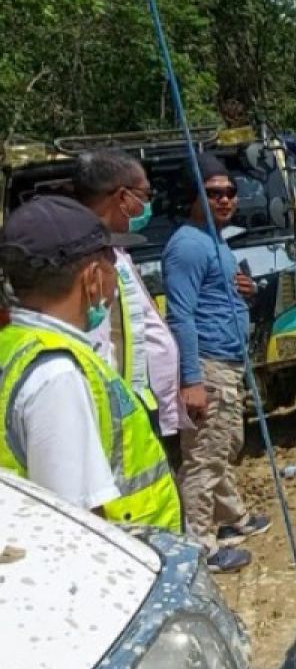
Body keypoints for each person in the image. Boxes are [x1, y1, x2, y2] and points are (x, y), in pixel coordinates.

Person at [0, 195, 182, 530]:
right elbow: (78, 523)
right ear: (93, 277)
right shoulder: (57, 374)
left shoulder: (13, 346)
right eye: (112, 261)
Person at [163, 153, 269, 573]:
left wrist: (245, 290)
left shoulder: (215, 241)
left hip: (227, 361)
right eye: (213, 194)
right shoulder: (188, 246)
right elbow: (181, 315)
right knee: (204, 459)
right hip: (207, 365)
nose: (225, 200)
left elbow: (217, 295)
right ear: (194, 197)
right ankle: (201, 547)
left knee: (224, 446)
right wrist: (192, 380)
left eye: (229, 193)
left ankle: (232, 518)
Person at [70, 150, 187, 448]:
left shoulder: (117, 252)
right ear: (123, 198)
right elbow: (96, 344)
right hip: (112, 415)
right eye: (144, 195)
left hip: (136, 403)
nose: (147, 205)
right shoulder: (86, 260)